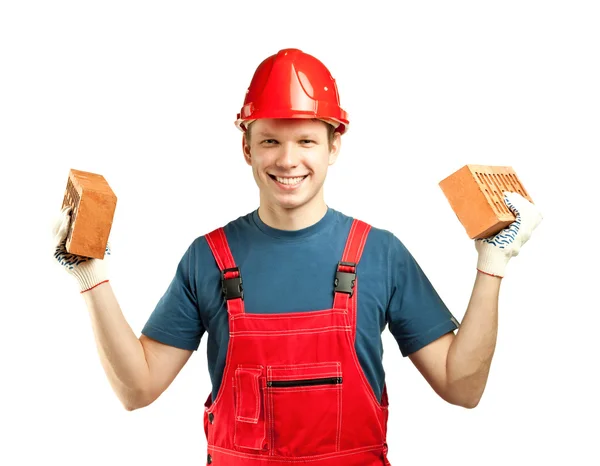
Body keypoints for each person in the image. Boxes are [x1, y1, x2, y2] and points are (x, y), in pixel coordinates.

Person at [52, 48, 543, 465]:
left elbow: (463, 387)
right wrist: (90, 278)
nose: (288, 160)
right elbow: (137, 390)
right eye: (270, 141)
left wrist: (491, 265)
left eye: (306, 140)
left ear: (334, 146)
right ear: (246, 147)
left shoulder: (379, 253)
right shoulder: (207, 258)